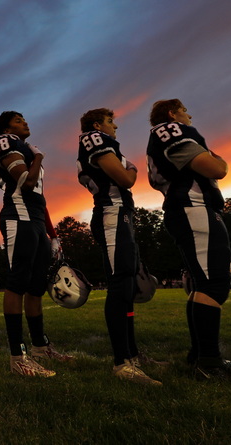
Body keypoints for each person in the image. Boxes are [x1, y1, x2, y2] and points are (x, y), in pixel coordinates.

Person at [147, 99, 231, 384]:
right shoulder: (171, 129)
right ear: (172, 114)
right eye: (185, 109)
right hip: (193, 207)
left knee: (202, 282)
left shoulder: (163, 135)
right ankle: (209, 364)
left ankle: (199, 356)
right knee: (213, 283)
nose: (190, 114)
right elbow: (217, 168)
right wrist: (214, 158)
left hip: (189, 208)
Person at [77, 108, 162, 385]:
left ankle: (132, 355)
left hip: (119, 214)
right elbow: (126, 179)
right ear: (97, 125)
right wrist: (132, 167)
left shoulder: (103, 142)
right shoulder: (94, 138)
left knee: (127, 287)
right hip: (110, 213)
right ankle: (122, 363)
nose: (116, 126)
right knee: (120, 285)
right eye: (111, 121)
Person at [0, 111, 72, 377]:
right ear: (5, 129)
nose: (25, 122)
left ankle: (39, 347)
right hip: (18, 216)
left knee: (36, 287)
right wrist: (37, 157)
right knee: (17, 283)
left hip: (35, 218)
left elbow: (40, 198)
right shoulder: (5, 143)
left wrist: (53, 234)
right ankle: (17, 357)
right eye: (18, 120)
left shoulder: (23, 147)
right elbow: (27, 181)